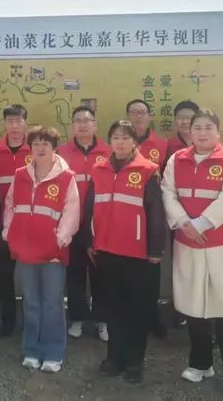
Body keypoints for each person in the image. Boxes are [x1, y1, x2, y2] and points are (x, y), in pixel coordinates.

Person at [162, 109, 223, 398]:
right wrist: (184, 223)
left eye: (208, 127)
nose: (202, 133)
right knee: (194, 307)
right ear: (190, 131)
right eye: (197, 127)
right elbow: (167, 192)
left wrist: (201, 223)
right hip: (188, 244)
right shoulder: (177, 159)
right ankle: (200, 364)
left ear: (218, 132)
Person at [84, 120, 165, 384]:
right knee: (113, 308)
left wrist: (155, 249)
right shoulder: (99, 169)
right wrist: (89, 241)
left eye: (125, 138)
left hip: (137, 254)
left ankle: (134, 361)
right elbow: (89, 208)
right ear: (109, 141)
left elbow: (156, 213)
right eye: (115, 137)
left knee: (135, 310)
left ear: (135, 142)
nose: (120, 142)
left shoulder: (148, 170)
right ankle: (113, 358)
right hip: (106, 250)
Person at [3, 126, 80, 373]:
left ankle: (54, 352)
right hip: (25, 251)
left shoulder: (66, 177)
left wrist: (61, 238)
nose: (40, 148)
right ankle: (31, 350)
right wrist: (9, 232)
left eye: (45, 143)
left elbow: (72, 210)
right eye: (36, 143)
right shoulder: (20, 175)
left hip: (53, 252)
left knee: (52, 302)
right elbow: (10, 205)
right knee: (31, 302)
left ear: (54, 147)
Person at [57, 106, 111, 341]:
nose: (82, 125)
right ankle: (77, 317)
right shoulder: (61, 152)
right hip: (71, 223)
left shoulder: (108, 152)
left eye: (86, 120)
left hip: (100, 224)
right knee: (74, 273)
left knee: (101, 274)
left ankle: (102, 321)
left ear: (95, 125)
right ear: (72, 126)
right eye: (77, 121)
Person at [126, 99, 168, 337]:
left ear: (150, 116)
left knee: (152, 268)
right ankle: (132, 318)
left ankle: (152, 318)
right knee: (130, 271)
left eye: (143, 112)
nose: (138, 117)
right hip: (127, 214)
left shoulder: (161, 144)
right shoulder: (120, 144)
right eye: (134, 113)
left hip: (153, 214)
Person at [0, 104, 32, 337]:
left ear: (25, 123)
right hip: (3, 225)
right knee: (5, 275)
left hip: (31, 225)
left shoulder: (36, 150)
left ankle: (30, 320)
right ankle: (7, 320)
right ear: (4, 124)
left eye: (19, 121)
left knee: (31, 276)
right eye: (10, 121)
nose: (14, 126)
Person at [164, 99, 200, 327]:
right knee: (180, 262)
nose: (185, 122)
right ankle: (182, 307)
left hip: (204, 218)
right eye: (181, 118)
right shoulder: (168, 147)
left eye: (189, 118)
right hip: (177, 216)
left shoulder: (209, 145)